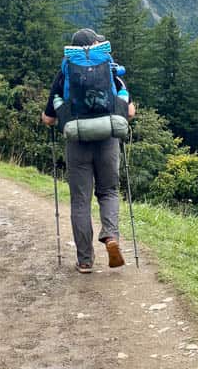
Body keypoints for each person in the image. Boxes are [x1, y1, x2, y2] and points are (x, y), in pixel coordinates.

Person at [41, 28, 136, 273]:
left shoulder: (65, 73)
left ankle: (85, 260)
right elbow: (130, 111)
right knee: (109, 192)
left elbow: (48, 119)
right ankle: (111, 236)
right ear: (94, 45)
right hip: (107, 140)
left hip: (78, 144)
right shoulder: (109, 69)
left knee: (80, 201)